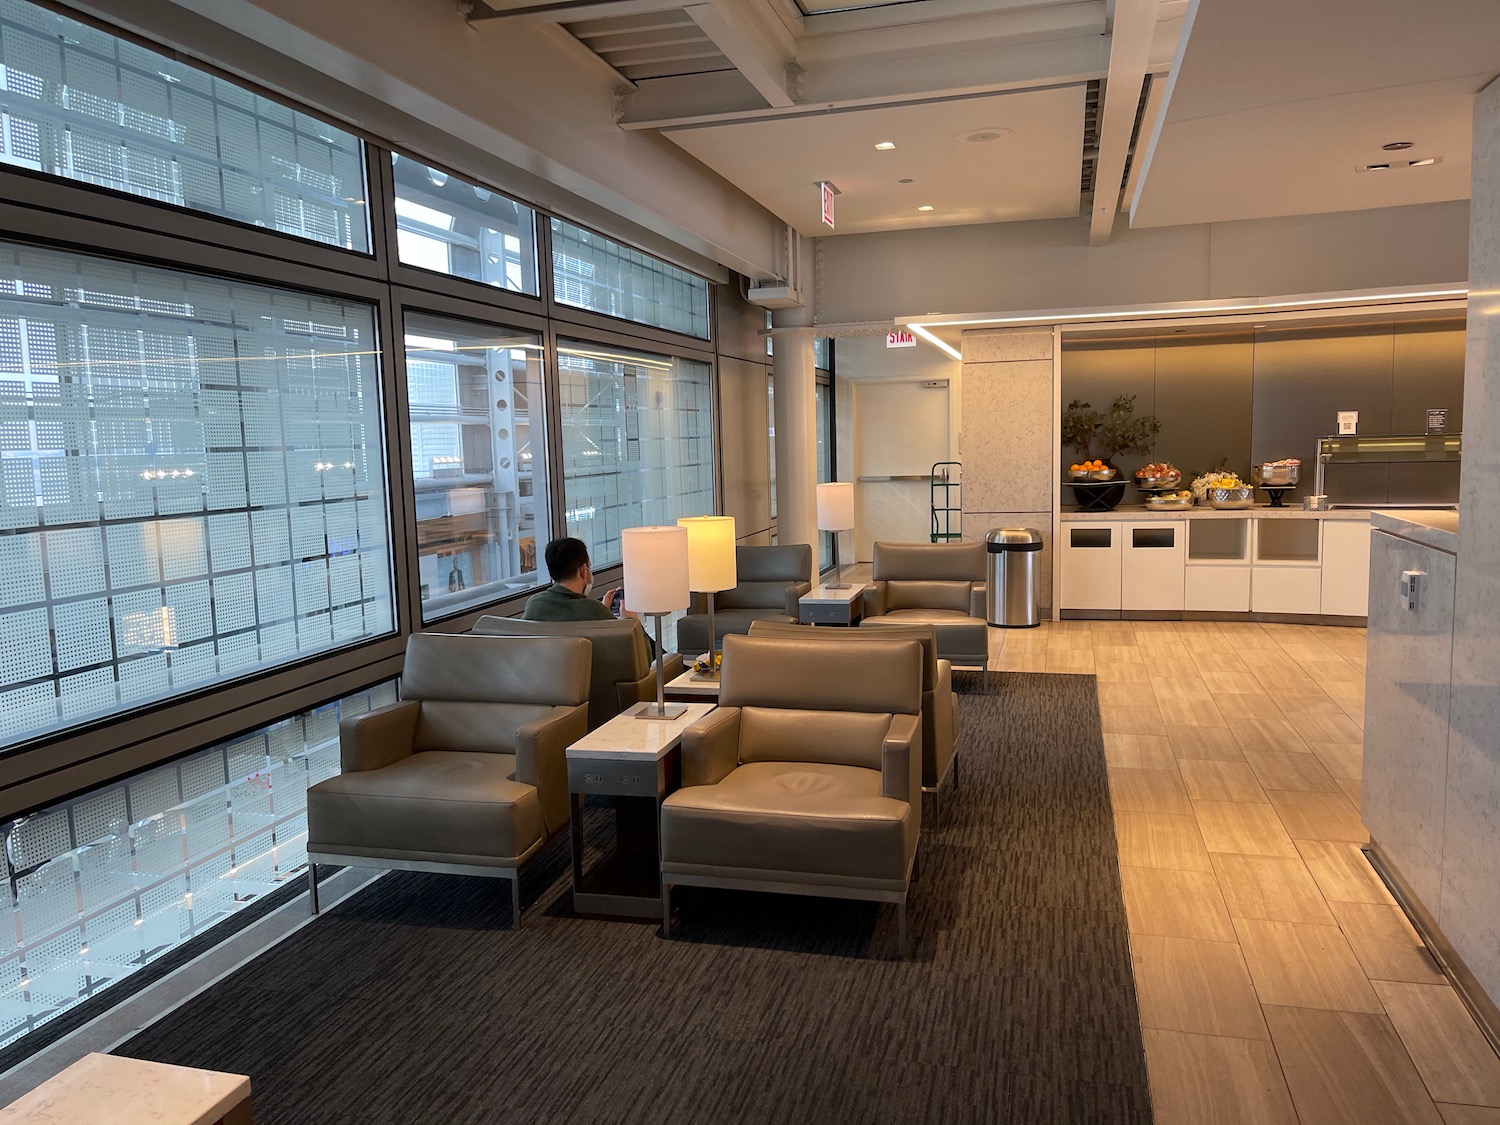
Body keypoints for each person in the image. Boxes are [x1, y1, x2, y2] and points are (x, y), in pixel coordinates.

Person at [522, 537, 627, 624]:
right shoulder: (593, 611)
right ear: (583, 570)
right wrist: (630, 621)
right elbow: (633, 644)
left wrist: (603, 609)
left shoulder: (534, 604)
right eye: (588, 567)